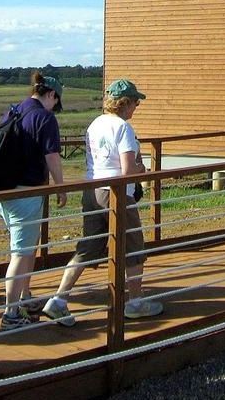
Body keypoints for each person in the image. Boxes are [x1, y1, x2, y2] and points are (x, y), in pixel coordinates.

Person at [41, 79, 163, 325]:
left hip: (92, 189)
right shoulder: (123, 128)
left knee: (88, 247)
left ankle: (58, 299)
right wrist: (142, 168)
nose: (136, 107)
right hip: (116, 193)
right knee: (134, 246)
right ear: (125, 103)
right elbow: (128, 170)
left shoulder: (95, 124)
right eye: (135, 102)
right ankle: (136, 302)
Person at [0, 71, 67, 331]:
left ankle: (24, 297)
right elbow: (52, 156)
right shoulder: (44, 118)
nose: (54, 109)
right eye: (55, 103)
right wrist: (60, 187)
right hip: (26, 193)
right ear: (50, 94)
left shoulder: (13, 111)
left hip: (4, 191)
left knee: (25, 246)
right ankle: (10, 314)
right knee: (22, 253)